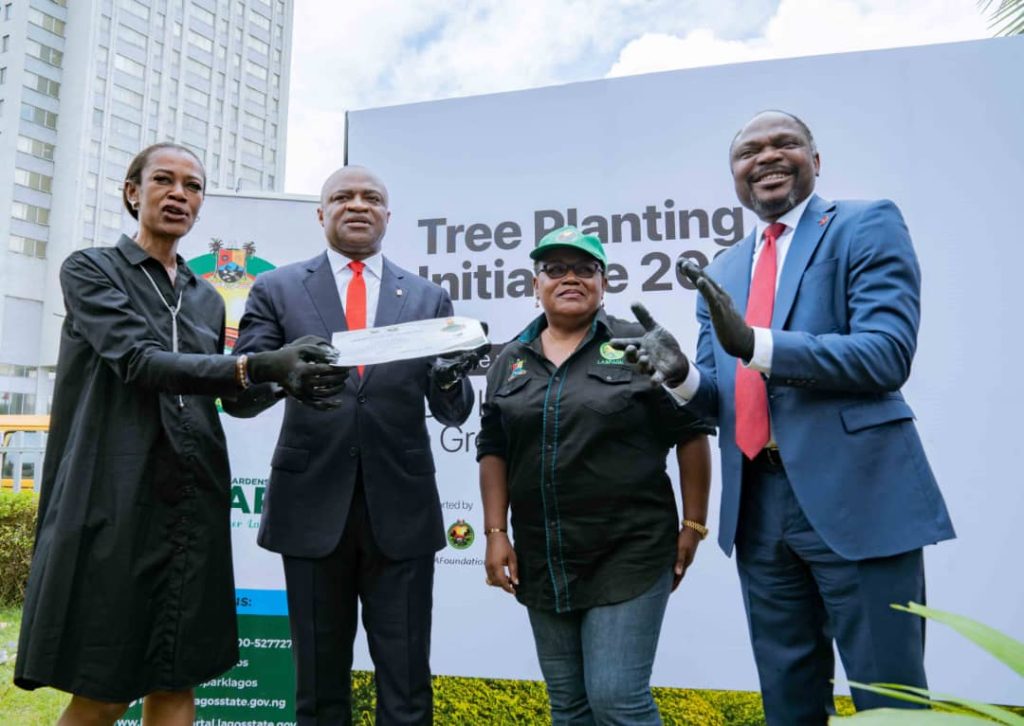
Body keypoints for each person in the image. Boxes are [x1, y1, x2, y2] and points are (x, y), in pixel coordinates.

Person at [611, 111, 955, 724]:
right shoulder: (722, 269)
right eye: (749, 152)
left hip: (858, 497)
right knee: (788, 701)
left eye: (784, 143)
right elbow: (723, 399)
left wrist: (755, 344)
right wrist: (682, 375)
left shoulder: (865, 224)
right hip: (759, 508)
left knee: (891, 702)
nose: (766, 156)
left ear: (815, 161)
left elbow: (887, 354)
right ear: (735, 177)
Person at [14, 142, 346, 726]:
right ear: (132, 192)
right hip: (114, 499)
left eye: (192, 187)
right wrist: (258, 364)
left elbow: (228, 398)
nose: (178, 194)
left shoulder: (205, 298)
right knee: (106, 691)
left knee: (178, 679)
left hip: (193, 501)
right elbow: (139, 362)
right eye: (163, 181)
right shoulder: (91, 269)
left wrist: (287, 380)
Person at [223, 165, 478, 725]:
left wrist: (449, 379)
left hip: (403, 513)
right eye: (343, 197)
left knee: (407, 689)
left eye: (371, 198)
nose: (357, 205)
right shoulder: (276, 288)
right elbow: (241, 396)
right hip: (310, 509)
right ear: (321, 214)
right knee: (318, 689)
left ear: (388, 215)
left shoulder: (429, 296)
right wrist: (283, 376)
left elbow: (454, 410)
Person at [477, 226, 713, 725]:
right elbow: (493, 448)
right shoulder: (509, 360)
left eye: (585, 269)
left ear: (603, 283)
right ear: (535, 284)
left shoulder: (638, 345)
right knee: (569, 707)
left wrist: (693, 525)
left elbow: (692, 432)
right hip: (544, 557)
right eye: (555, 269)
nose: (570, 278)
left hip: (629, 552)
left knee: (616, 699)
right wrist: (496, 532)